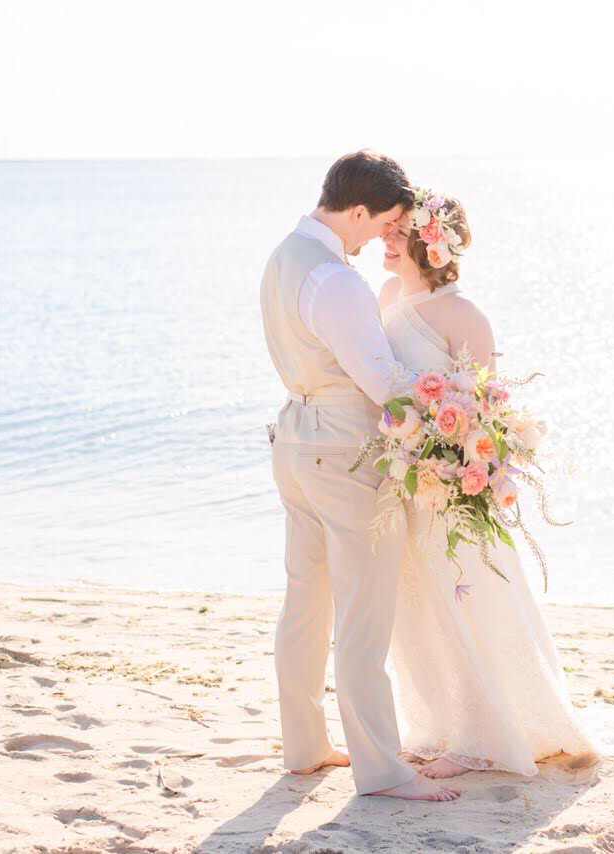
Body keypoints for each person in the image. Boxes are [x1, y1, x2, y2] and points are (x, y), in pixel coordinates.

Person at [377, 189, 597, 779]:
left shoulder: (464, 315)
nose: (384, 238)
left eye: (398, 231)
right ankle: (436, 725)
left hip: (452, 484)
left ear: (431, 244)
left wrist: (451, 460)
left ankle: (479, 736)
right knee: (417, 607)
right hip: (405, 478)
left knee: (465, 602)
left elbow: (485, 409)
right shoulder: (388, 296)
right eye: (386, 228)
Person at [259, 151, 459, 801]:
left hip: (295, 440)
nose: (382, 237)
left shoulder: (283, 258)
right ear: (359, 211)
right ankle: (382, 770)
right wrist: (453, 404)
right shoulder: (337, 281)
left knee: (305, 602)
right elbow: (381, 381)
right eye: (383, 223)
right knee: (363, 616)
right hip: (344, 449)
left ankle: (305, 747)